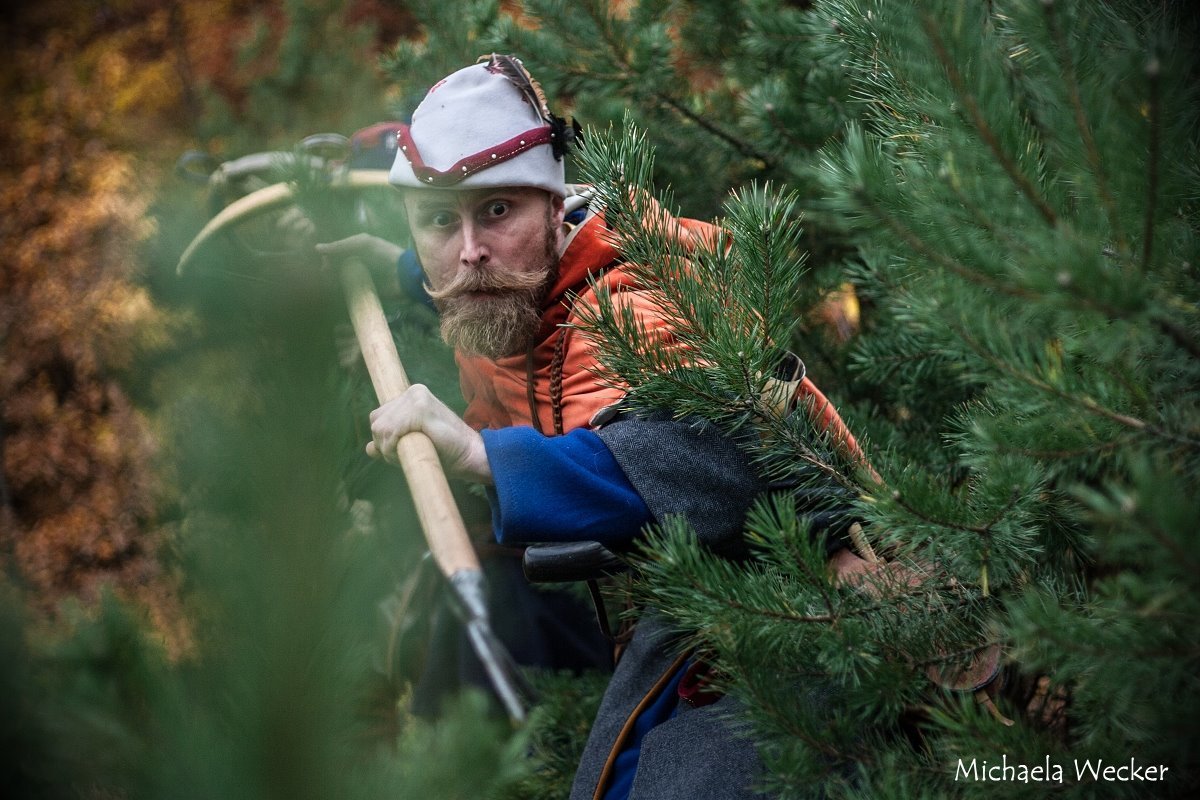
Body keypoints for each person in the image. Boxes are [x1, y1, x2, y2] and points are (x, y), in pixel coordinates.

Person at [322, 54, 865, 800]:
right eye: (439, 222)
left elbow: (701, 463)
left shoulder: (637, 305)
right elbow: (463, 273)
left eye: (498, 211)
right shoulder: (495, 286)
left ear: (553, 206)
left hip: (792, 615)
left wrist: (478, 453)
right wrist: (392, 271)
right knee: (448, 625)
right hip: (642, 588)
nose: (470, 251)